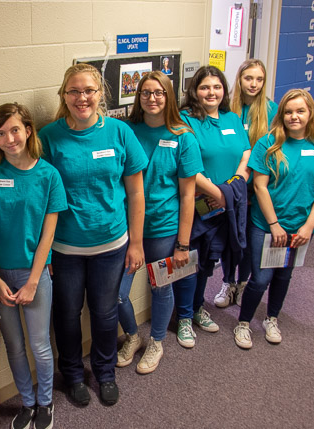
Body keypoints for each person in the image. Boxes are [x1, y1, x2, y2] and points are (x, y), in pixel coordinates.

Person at [39, 63, 148, 406]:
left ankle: (105, 372)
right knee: (67, 315)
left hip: (112, 246)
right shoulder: (48, 137)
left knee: (104, 314)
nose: (81, 97)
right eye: (74, 91)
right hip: (65, 248)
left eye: (89, 90)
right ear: (64, 95)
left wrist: (136, 242)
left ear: (101, 94)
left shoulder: (119, 133)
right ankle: (72, 375)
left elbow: (135, 193)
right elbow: (37, 197)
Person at [0, 103, 67, 429]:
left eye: (15, 130)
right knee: (13, 346)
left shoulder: (49, 175)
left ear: (28, 130)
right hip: (0, 276)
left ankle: (45, 403)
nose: (9, 138)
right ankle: (26, 403)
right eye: (1, 133)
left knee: (40, 344)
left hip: (35, 274)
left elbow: (48, 234)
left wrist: (32, 281)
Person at [233, 89, 314, 349]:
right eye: (289, 111)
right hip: (266, 225)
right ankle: (244, 323)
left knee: (284, 276)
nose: (294, 116)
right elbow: (259, 186)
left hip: (301, 228)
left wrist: (308, 225)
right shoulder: (268, 144)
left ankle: (272, 318)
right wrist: (274, 225)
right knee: (260, 279)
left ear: (310, 113)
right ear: (281, 114)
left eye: (300, 111)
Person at [116, 71, 203, 371]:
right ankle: (132, 336)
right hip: (127, 228)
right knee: (116, 294)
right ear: (138, 98)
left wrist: (183, 244)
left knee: (160, 288)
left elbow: (189, 196)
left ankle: (155, 342)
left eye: (159, 93)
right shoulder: (127, 131)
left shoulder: (183, 137)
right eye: (145, 93)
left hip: (164, 229)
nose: (152, 98)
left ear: (168, 97)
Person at [180, 65, 251, 333]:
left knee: (209, 261)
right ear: (195, 91)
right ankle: (185, 315)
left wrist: (231, 189)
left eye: (217, 86)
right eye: (205, 87)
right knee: (191, 261)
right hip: (199, 203)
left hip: (227, 205)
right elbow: (187, 166)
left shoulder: (232, 119)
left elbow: (246, 155)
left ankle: (198, 308)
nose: (212, 92)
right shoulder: (185, 120)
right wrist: (218, 194)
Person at [215, 59, 279, 308]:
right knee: (229, 238)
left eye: (259, 79)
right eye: (248, 78)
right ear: (239, 79)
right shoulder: (227, 109)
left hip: (257, 188)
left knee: (249, 241)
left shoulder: (272, 111)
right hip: (231, 186)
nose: (253, 84)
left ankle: (242, 283)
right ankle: (227, 282)